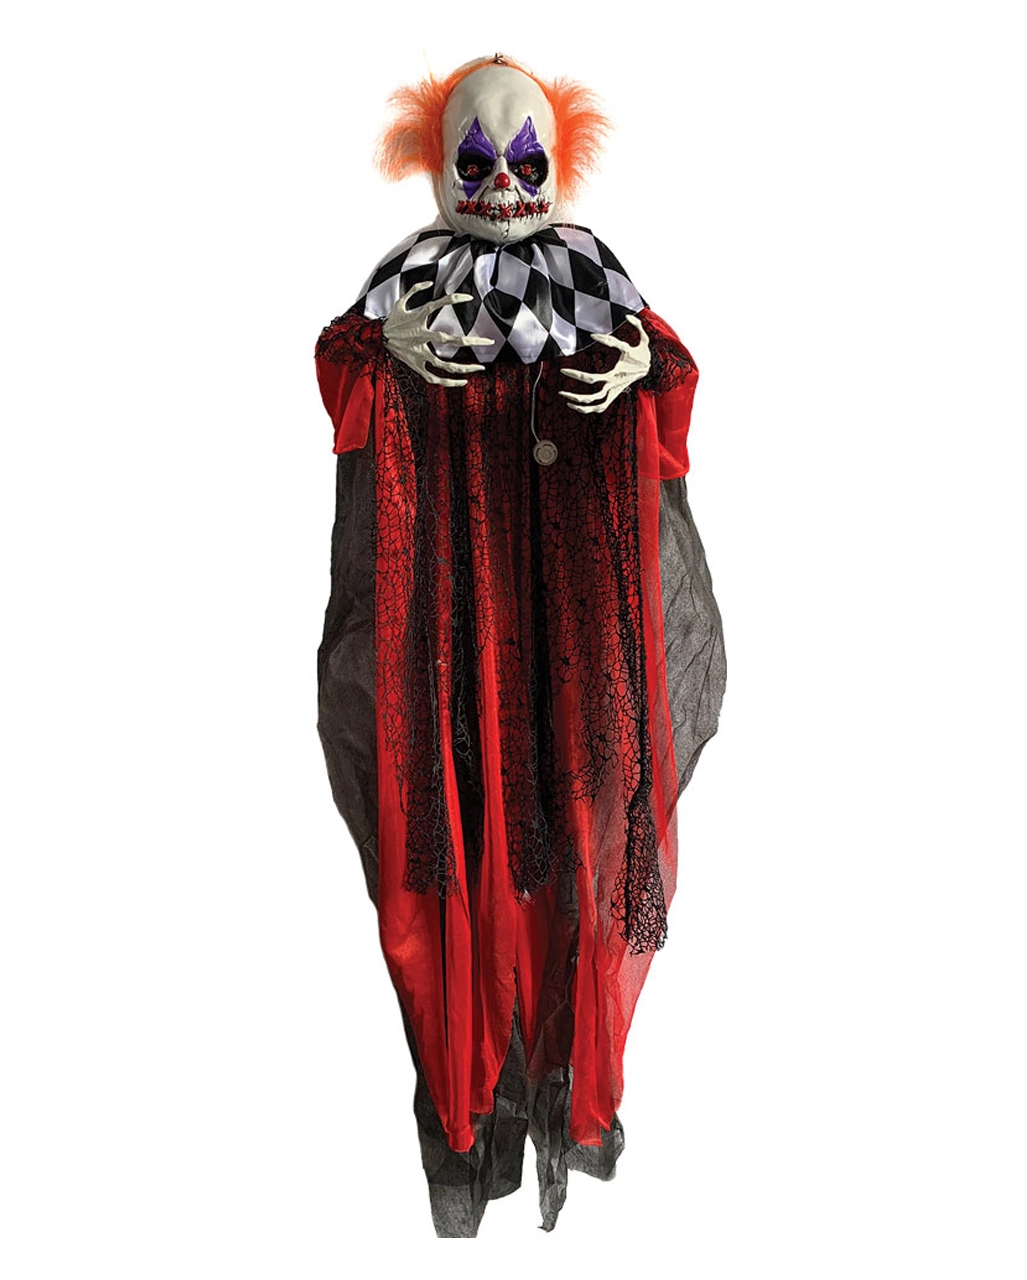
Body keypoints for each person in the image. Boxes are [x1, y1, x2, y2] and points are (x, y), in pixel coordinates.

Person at [314, 53, 726, 1236]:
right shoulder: (408, 280)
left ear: (562, 162)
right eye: (477, 158)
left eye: (526, 158)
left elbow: (666, 384)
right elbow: (341, 380)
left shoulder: (590, 269)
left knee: (581, 813)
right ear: (434, 166)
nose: (502, 183)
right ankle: (474, 1081)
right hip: (454, 603)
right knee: (458, 823)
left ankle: (564, 1070)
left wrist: (645, 366)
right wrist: (383, 350)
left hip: (570, 610)